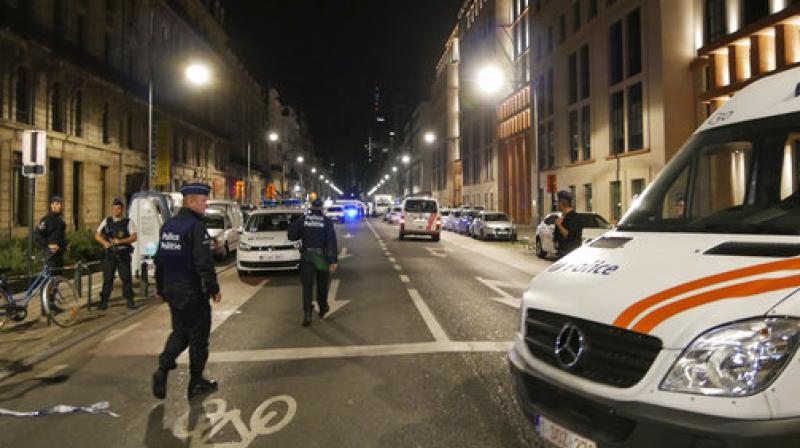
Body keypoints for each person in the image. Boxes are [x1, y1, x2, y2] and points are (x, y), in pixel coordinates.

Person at [152, 183, 221, 400]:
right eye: (203, 200)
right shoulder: (196, 227)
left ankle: (163, 368)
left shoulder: (169, 226)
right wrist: (213, 288)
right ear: (191, 202)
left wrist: (160, 287)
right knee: (199, 338)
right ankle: (195, 382)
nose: (205, 204)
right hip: (192, 290)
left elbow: (160, 259)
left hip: (173, 289)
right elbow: (203, 262)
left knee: (181, 332)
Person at [288, 198, 338, 327]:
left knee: (307, 286)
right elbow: (331, 241)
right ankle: (322, 308)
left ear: (311, 208)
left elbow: (292, 236)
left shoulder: (303, 220)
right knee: (322, 285)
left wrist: (293, 224)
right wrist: (333, 260)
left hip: (307, 257)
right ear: (321, 209)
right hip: (321, 258)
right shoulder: (327, 222)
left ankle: (307, 314)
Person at [95, 198, 138, 310]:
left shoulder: (128, 222)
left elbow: (134, 237)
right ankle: (103, 301)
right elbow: (97, 235)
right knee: (108, 279)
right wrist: (104, 242)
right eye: (114, 208)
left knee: (126, 278)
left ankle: (130, 300)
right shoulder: (107, 221)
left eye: (118, 208)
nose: (116, 211)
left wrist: (121, 241)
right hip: (110, 254)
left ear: (122, 209)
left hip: (123, 254)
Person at [36, 196, 67, 271]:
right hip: (49, 253)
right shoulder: (46, 220)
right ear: (52, 205)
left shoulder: (61, 221)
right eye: (57, 204)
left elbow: (61, 236)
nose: (59, 206)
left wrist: (65, 246)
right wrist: (48, 245)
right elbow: (38, 234)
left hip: (59, 254)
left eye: (60, 204)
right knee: (50, 276)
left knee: (58, 277)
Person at [553, 190, 582, 258]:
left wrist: (559, 225)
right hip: (561, 254)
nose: (557, 204)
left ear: (561, 203)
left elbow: (568, 235)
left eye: (558, 202)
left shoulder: (574, 218)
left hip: (570, 256)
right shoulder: (563, 217)